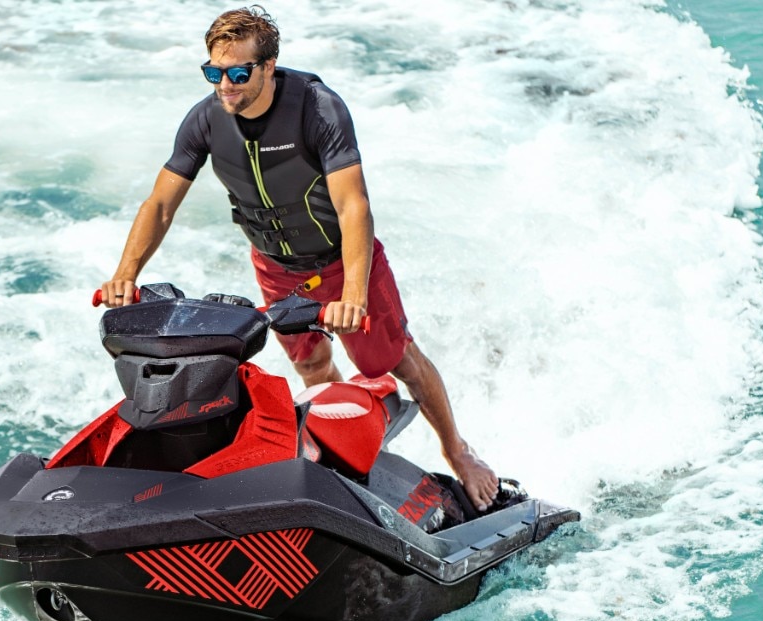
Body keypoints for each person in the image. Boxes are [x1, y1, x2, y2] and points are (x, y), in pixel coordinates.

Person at [99, 6, 501, 511]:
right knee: (310, 362)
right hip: (275, 267)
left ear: (268, 66)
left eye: (238, 74)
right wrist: (125, 275)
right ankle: (348, 455)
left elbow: (354, 206)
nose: (225, 86)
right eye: (214, 73)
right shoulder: (205, 119)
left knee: (395, 362)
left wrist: (353, 295)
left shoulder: (316, 108)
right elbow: (160, 204)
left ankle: (458, 452)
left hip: (341, 261)